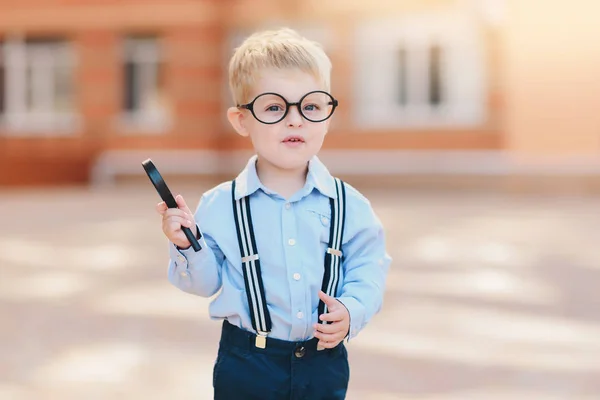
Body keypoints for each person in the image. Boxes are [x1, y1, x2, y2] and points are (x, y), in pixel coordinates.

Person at [156, 27, 392, 400]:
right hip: (247, 362)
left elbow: (368, 266)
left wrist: (353, 309)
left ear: (328, 116)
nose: (295, 120)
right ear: (241, 120)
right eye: (274, 107)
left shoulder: (349, 205)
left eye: (311, 106)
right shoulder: (220, 205)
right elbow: (204, 284)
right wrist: (187, 245)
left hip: (322, 363)